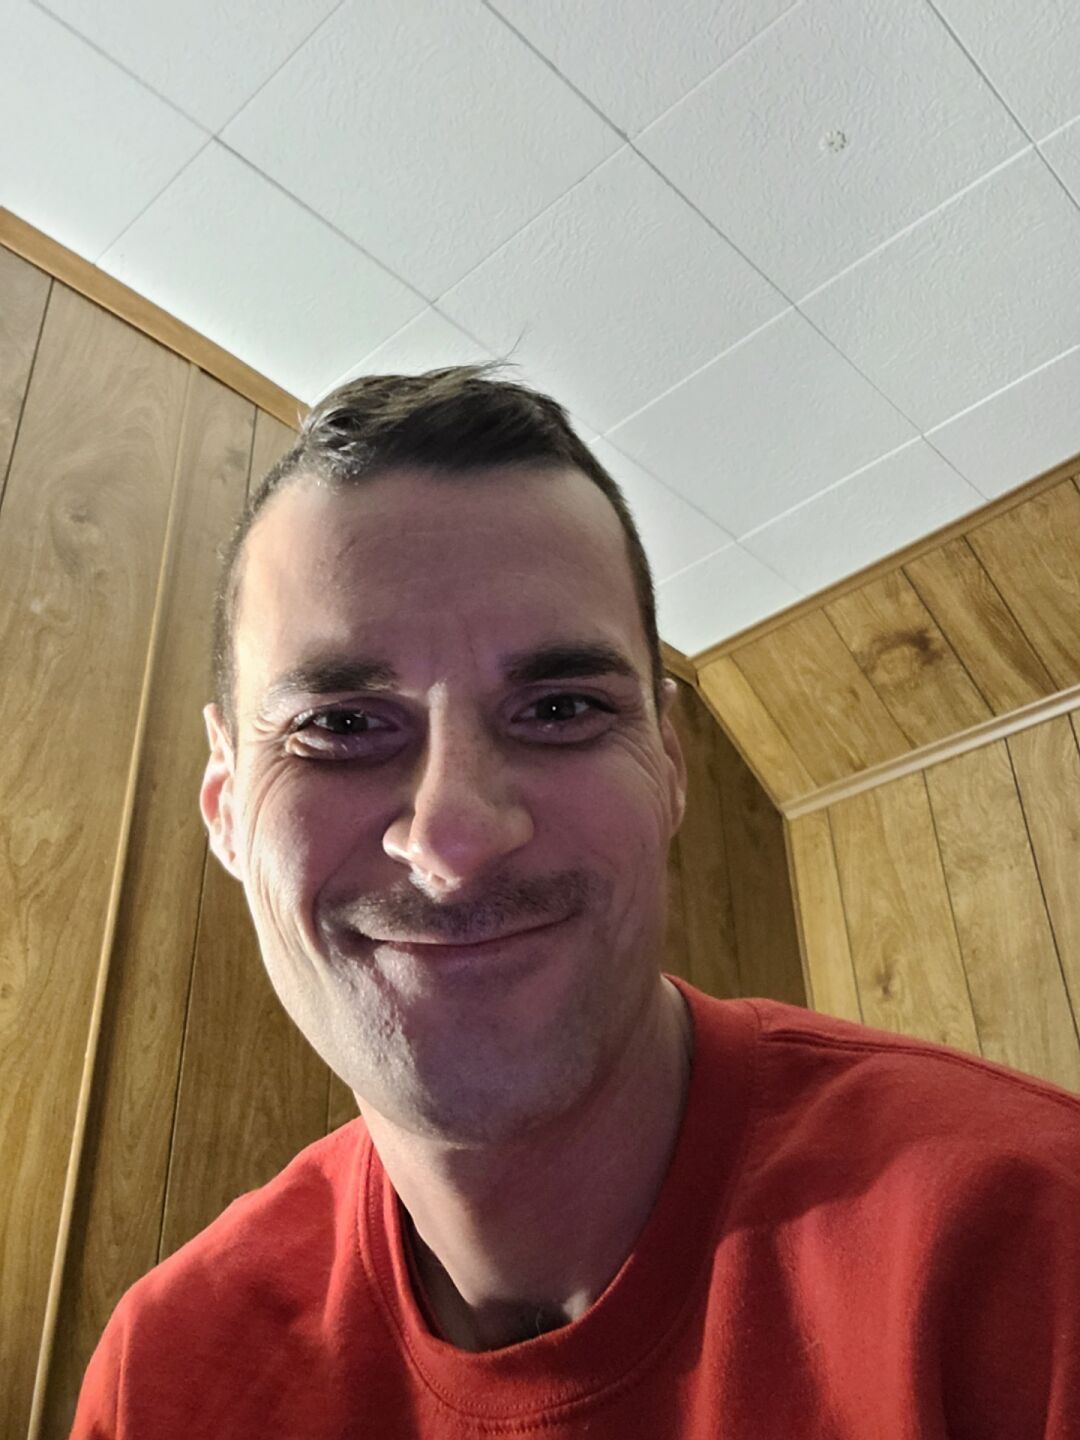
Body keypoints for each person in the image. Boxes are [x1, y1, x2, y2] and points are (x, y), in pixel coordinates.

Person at [72, 366, 1079, 1438]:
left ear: (670, 766)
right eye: (342, 726)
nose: (455, 839)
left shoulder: (1038, 1247)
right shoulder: (161, 1379)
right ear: (226, 805)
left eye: (559, 708)